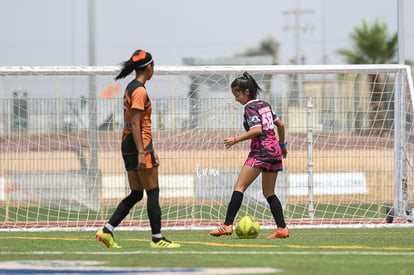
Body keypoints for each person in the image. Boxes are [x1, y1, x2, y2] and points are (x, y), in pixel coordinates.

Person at [96, 49, 181, 248]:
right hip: (139, 143)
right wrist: (143, 152)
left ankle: (107, 230)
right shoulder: (140, 90)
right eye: (154, 66)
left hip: (127, 143)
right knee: (152, 191)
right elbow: (136, 122)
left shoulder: (130, 87)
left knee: (136, 193)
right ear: (149, 67)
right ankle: (157, 238)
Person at [210, 72, 289, 239]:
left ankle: (227, 225)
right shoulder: (265, 104)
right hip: (274, 151)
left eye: (237, 95)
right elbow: (280, 125)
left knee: (239, 187)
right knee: (269, 193)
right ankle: (282, 228)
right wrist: (282, 146)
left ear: (246, 92)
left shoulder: (250, 107)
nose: (237, 99)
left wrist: (235, 139)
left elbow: (257, 130)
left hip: (261, 151)